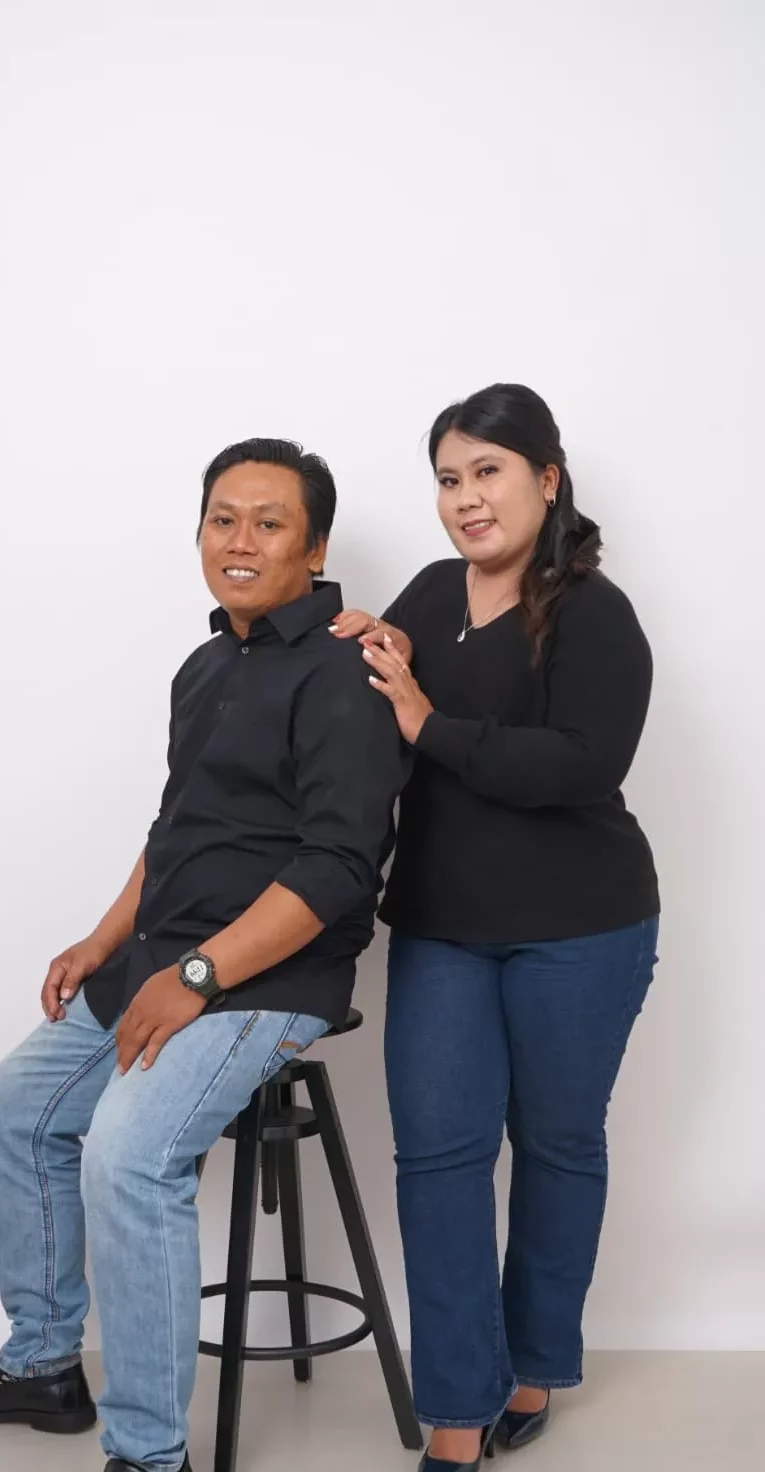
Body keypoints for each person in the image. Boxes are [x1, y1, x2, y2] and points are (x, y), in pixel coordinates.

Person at [0, 438, 407, 1472]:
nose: (241, 540)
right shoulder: (207, 664)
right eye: (223, 518)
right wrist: (105, 939)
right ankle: (43, 1363)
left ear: (313, 548)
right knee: (19, 1108)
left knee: (128, 1157)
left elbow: (337, 869)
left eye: (270, 523)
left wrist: (197, 976)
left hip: (265, 979)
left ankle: (149, 1454)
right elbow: (177, 826)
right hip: (161, 957)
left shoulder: (345, 672)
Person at [331, 384, 659, 1470]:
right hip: (444, 923)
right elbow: (377, 686)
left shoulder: (593, 610)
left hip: (582, 926)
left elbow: (583, 764)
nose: (465, 498)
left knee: (557, 1147)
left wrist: (431, 721)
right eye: (447, 478)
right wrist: (356, 640)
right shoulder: (434, 591)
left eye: (487, 471)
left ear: (546, 480)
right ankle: (457, 1410)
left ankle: (535, 1363)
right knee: (438, 1157)